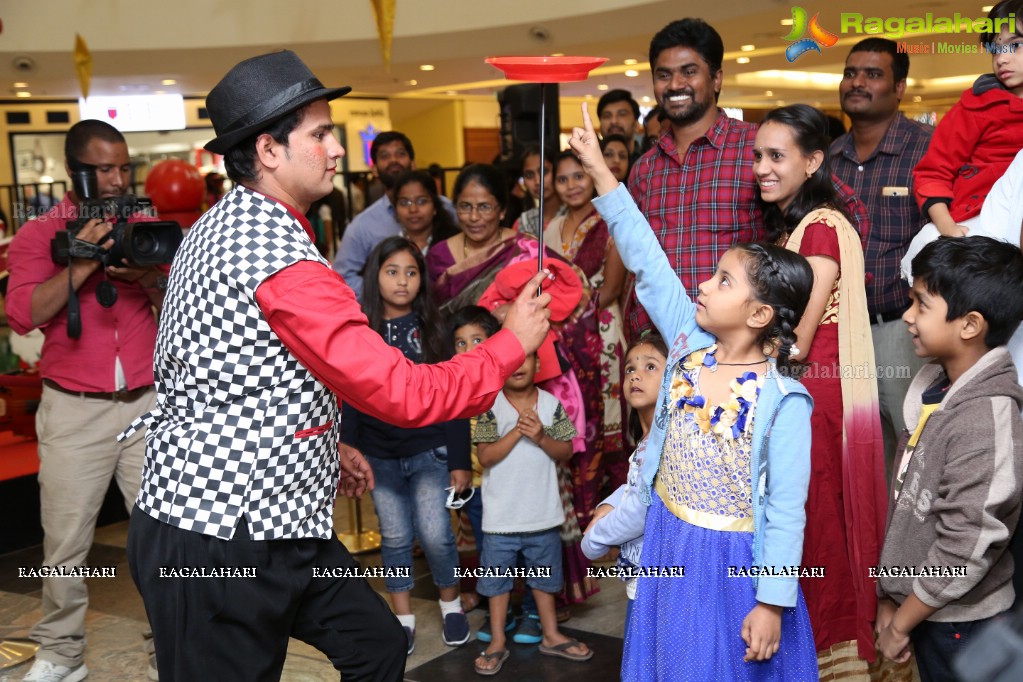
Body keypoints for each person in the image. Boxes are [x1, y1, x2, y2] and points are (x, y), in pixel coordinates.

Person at [121, 50, 552, 682]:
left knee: (375, 646)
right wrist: (509, 343)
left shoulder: (240, 222)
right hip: (218, 529)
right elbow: (403, 390)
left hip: (277, 515)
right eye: (319, 134)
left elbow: (244, 369)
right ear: (268, 150)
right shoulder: (273, 254)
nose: (336, 149)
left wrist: (322, 447)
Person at [569, 101, 819, 679]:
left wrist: (773, 600)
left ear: (758, 313)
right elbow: (648, 260)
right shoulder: (686, 352)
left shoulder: (783, 401)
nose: (703, 284)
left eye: (722, 280)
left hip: (735, 567)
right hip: (668, 544)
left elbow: (785, 510)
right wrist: (603, 174)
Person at [6, 119, 168, 682]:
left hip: (149, 405)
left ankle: (170, 647)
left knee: (162, 540)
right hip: (74, 408)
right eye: (104, 169)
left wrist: (146, 275)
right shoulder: (37, 236)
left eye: (124, 167)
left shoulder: (147, 227)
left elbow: (183, 306)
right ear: (77, 170)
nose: (118, 179)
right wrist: (81, 265)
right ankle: (62, 654)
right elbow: (22, 313)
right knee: (66, 542)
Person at [626, 17, 869, 343]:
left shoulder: (758, 149)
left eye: (689, 71)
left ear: (716, 79)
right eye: (663, 74)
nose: (674, 85)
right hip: (660, 345)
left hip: (740, 350)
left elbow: (845, 208)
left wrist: (806, 296)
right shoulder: (644, 169)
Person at [428, 163, 602, 613]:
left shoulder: (523, 250)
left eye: (485, 206)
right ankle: (494, 598)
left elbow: (563, 294)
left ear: (503, 209)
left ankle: (538, 603)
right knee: (479, 487)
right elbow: (439, 325)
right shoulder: (440, 257)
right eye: (465, 206)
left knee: (533, 478)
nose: (474, 215)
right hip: (462, 381)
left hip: (522, 374)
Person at [756, 104, 889, 675]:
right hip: (812, 397)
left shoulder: (821, 227)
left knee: (817, 523)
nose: (761, 167)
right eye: (757, 156)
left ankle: (831, 653)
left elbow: (798, 343)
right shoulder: (802, 225)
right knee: (810, 520)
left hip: (815, 400)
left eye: (776, 156)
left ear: (813, 161)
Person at [877, 236, 1023, 681]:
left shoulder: (986, 416)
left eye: (921, 304)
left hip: (963, 622)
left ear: (970, 324)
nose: (907, 316)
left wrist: (901, 624)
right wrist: (891, 595)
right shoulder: (936, 393)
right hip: (928, 609)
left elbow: (965, 546)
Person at [340, 236, 472, 656]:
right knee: (395, 538)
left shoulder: (435, 328)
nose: (402, 282)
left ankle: (450, 605)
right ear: (374, 276)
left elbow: (454, 396)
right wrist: (348, 448)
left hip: (429, 449)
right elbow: (351, 396)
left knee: (436, 535)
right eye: (392, 271)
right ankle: (403, 618)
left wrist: (458, 458)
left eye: (411, 273)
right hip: (378, 457)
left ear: (422, 280)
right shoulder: (362, 332)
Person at [831, 37, 933, 485]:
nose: (858, 82)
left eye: (873, 74)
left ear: (900, 88)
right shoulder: (827, 158)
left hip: (902, 329)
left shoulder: (927, 150)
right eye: (852, 72)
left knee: (913, 452)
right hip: (838, 333)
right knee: (855, 458)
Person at [472, 352, 593, 675]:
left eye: (527, 359)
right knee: (497, 584)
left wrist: (540, 435)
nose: (519, 366)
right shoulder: (489, 405)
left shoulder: (551, 404)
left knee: (544, 579)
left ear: (538, 366)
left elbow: (565, 451)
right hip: (500, 520)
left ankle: (550, 634)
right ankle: (497, 640)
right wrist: (516, 432)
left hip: (543, 515)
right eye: (512, 360)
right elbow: (485, 457)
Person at [544, 149, 628, 487]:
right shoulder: (550, 228)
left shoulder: (611, 220)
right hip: (557, 338)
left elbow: (610, 289)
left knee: (608, 428)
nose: (571, 185)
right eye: (562, 179)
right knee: (564, 419)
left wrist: (568, 312)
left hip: (601, 334)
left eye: (578, 176)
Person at [911, 0, 1023, 240]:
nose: (1002, 59)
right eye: (996, 49)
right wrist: (947, 227)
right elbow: (932, 174)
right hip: (978, 224)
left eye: (1015, 45)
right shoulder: (975, 106)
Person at [581, 333, 668, 631]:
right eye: (630, 368)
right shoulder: (648, 441)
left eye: (650, 367)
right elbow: (639, 486)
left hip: (655, 582)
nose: (636, 375)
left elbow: (640, 512)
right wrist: (609, 503)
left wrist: (594, 540)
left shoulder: (665, 441)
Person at [332, 130, 456, 299]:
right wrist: (384, 292)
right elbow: (343, 276)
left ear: (412, 163)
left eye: (400, 154)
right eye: (384, 156)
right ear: (374, 169)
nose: (393, 161)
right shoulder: (363, 225)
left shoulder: (446, 207)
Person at [390, 169, 459, 255]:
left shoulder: (455, 244)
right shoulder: (390, 249)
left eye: (421, 201)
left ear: (435, 207)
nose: (413, 209)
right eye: (405, 202)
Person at [512, 145, 564, 238]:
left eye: (544, 172)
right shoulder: (523, 223)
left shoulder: (573, 216)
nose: (537, 181)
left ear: (558, 171)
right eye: (529, 175)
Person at [596, 88, 641, 161]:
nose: (614, 121)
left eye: (622, 114)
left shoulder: (649, 161)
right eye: (607, 116)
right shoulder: (589, 161)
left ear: (636, 125)